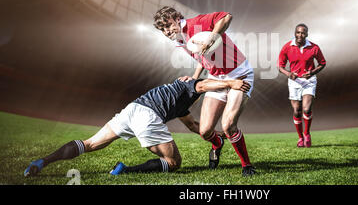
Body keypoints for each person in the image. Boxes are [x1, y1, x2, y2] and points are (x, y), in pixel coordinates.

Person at [24, 78, 250, 176]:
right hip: (147, 115)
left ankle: (42, 162)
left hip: (131, 110)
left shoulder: (179, 103)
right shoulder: (188, 86)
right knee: (173, 163)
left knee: (90, 143)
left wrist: (215, 136)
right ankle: (125, 170)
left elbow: (193, 126)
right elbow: (202, 85)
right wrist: (230, 83)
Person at [153, 6, 256, 176]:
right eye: (162, 29)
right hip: (216, 78)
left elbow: (226, 16)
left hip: (239, 74)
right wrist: (194, 77)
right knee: (205, 131)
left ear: (177, 18)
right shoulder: (179, 39)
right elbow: (203, 57)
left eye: (168, 25)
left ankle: (247, 166)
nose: (166, 31)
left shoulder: (196, 23)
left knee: (228, 125)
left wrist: (212, 38)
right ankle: (217, 144)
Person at [278, 23, 326, 148]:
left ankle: (307, 134)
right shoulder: (287, 47)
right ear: (295, 33)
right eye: (298, 32)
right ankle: (300, 138)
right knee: (297, 111)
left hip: (309, 81)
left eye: (303, 33)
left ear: (307, 34)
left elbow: (322, 63)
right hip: (294, 82)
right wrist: (289, 74)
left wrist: (312, 72)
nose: (300, 35)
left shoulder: (314, 47)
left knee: (306, 109)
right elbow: (280, 67)